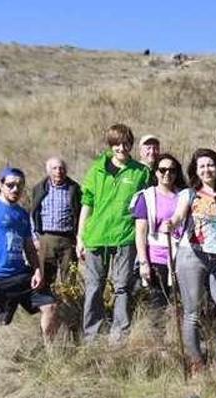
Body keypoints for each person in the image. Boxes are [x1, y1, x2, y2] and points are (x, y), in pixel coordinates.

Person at [0, 167, 57, 367]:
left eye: (19, 185)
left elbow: (28, 246)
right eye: (10, 185)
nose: (15, 189)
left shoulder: (21, 214)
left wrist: (37, 270)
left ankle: (52, 356)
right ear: (1, 185)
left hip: (21, 276)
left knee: (50, 306)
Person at [77, 123, 151, 343]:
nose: (121, 148)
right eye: (116, 144)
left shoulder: (141, 172)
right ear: (110, 145)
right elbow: (87, 203)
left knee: (122, 287)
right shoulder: (97, 170)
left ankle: (119, 334)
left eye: (126, 143)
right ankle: (92, 334)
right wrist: (80, 235)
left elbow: (146, 206)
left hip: (125, 236)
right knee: (94, 287)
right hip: (97, 236)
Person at [172, 148, 216, 373]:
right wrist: (171, 223)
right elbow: (180, 215)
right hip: (191, 255)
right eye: (201, 166)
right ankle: (197, 362)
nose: (206, 169)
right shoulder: (189, 194)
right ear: (196, 170)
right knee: (192, 313)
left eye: (210, 164)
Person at [132, 153, 186, 308]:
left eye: (172, 170)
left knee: (182, 305)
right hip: (156, 258)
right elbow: (140, 233)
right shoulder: (146, 197)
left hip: (181, 257)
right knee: (158, 306)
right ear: (156, 172)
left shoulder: (183, 195)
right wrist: (143, 262)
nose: (167, 174)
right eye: (162, 170)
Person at [30, 156, 81, 288]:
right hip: (46, 238)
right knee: (45, 277)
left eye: (61, 168)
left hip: (68, 239)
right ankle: (47, 307)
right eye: (54, 168)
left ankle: (70, 307)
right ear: (48, 171)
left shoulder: (74, 189)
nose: (58, 171)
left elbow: (80, 213)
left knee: (69, 278)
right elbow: (33, 213)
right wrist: (35, 237)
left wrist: (80, 237)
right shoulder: (39, 188)